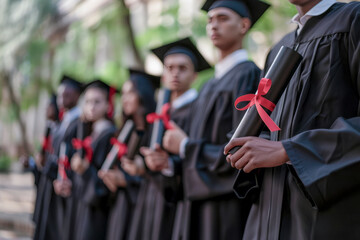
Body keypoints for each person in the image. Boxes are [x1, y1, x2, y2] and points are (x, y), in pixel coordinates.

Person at [224, 0, 360, 239]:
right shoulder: (278, 48)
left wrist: (290, 150)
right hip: (267, 212)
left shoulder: (352, 19)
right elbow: (272, 124)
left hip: (324, 214)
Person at [162, 0, 269, 239]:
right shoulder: (207, 85)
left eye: (222, 18)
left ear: (243, 25)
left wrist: (185, 147)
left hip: (225, 206)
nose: (213, 26)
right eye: (210, 20)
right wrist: (169, 163)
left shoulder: (248, 75)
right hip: (196, 201)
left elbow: (243, 148)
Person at [136, 37, 211, 240]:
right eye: (169, 68)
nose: (175, 73)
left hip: (184, 198)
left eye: (182, 68)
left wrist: (170, 164)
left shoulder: (200, 108)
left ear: (195, 75)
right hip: (154, 197)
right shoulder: (159, 113)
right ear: (162, 76)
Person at [98, 69, 159, 240]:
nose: (124, 98)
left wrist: (127, 180)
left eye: (130, 92)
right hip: (120, 207)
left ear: (143, 94)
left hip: (144, 211)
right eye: (123, 94)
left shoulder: (155, 130)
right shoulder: (124, 131)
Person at [33, 75, 82, 240]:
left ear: (76, 96)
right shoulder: (64, 121)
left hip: (64, 185)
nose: (61, 99)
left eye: (67, 95)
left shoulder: (79, 123)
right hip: (52, 181)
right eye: (60, 95)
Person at [70, 80, 117, 240]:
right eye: (88, 101)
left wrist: (84, 170)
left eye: (97, 102)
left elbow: (105, 182)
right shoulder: (89, 133)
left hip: (97, 209)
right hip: (82, 204)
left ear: (108, 105)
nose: (91, 106)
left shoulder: (110, 135)